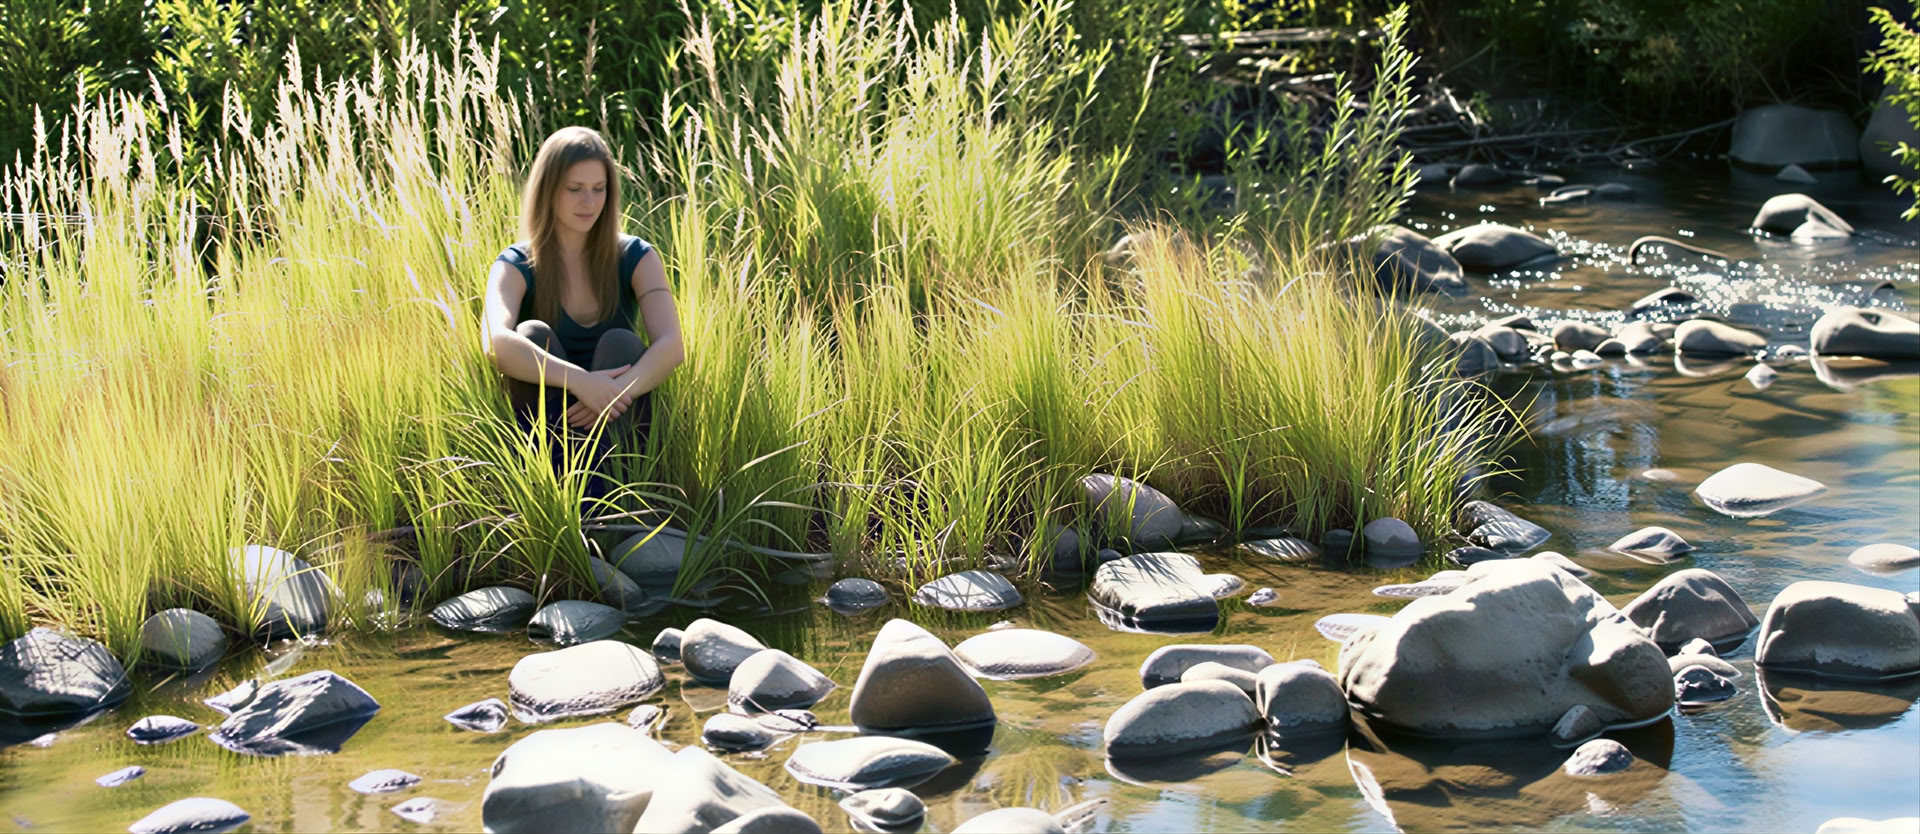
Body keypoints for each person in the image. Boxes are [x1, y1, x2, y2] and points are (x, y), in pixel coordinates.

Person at [481, 126, 683, 513]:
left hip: (619, 432)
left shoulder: (637, 256)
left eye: (599, 188)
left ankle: (614, 505)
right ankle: (562, 501)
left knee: (620, 344)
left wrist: (612, 393)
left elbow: (671, 346)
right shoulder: (516, 262)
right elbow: (495, 343)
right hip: (549, 439)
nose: (589, 202)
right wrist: (581, 383)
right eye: (574, 189)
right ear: (548, 190)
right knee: (531, 334)